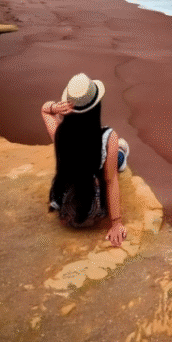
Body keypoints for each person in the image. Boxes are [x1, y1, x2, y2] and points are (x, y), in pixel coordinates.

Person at [41, 73, 129, 246]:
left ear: (69, 107)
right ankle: (122, 151)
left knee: (97, 157)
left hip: (67, 208)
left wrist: (55, 108)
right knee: (116, 153)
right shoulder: (108, 136)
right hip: (94, 211)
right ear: (96, 106)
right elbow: (111, 181)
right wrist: (116, 223)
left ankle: (119, 150)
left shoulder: (61, 134)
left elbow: (45, 110)